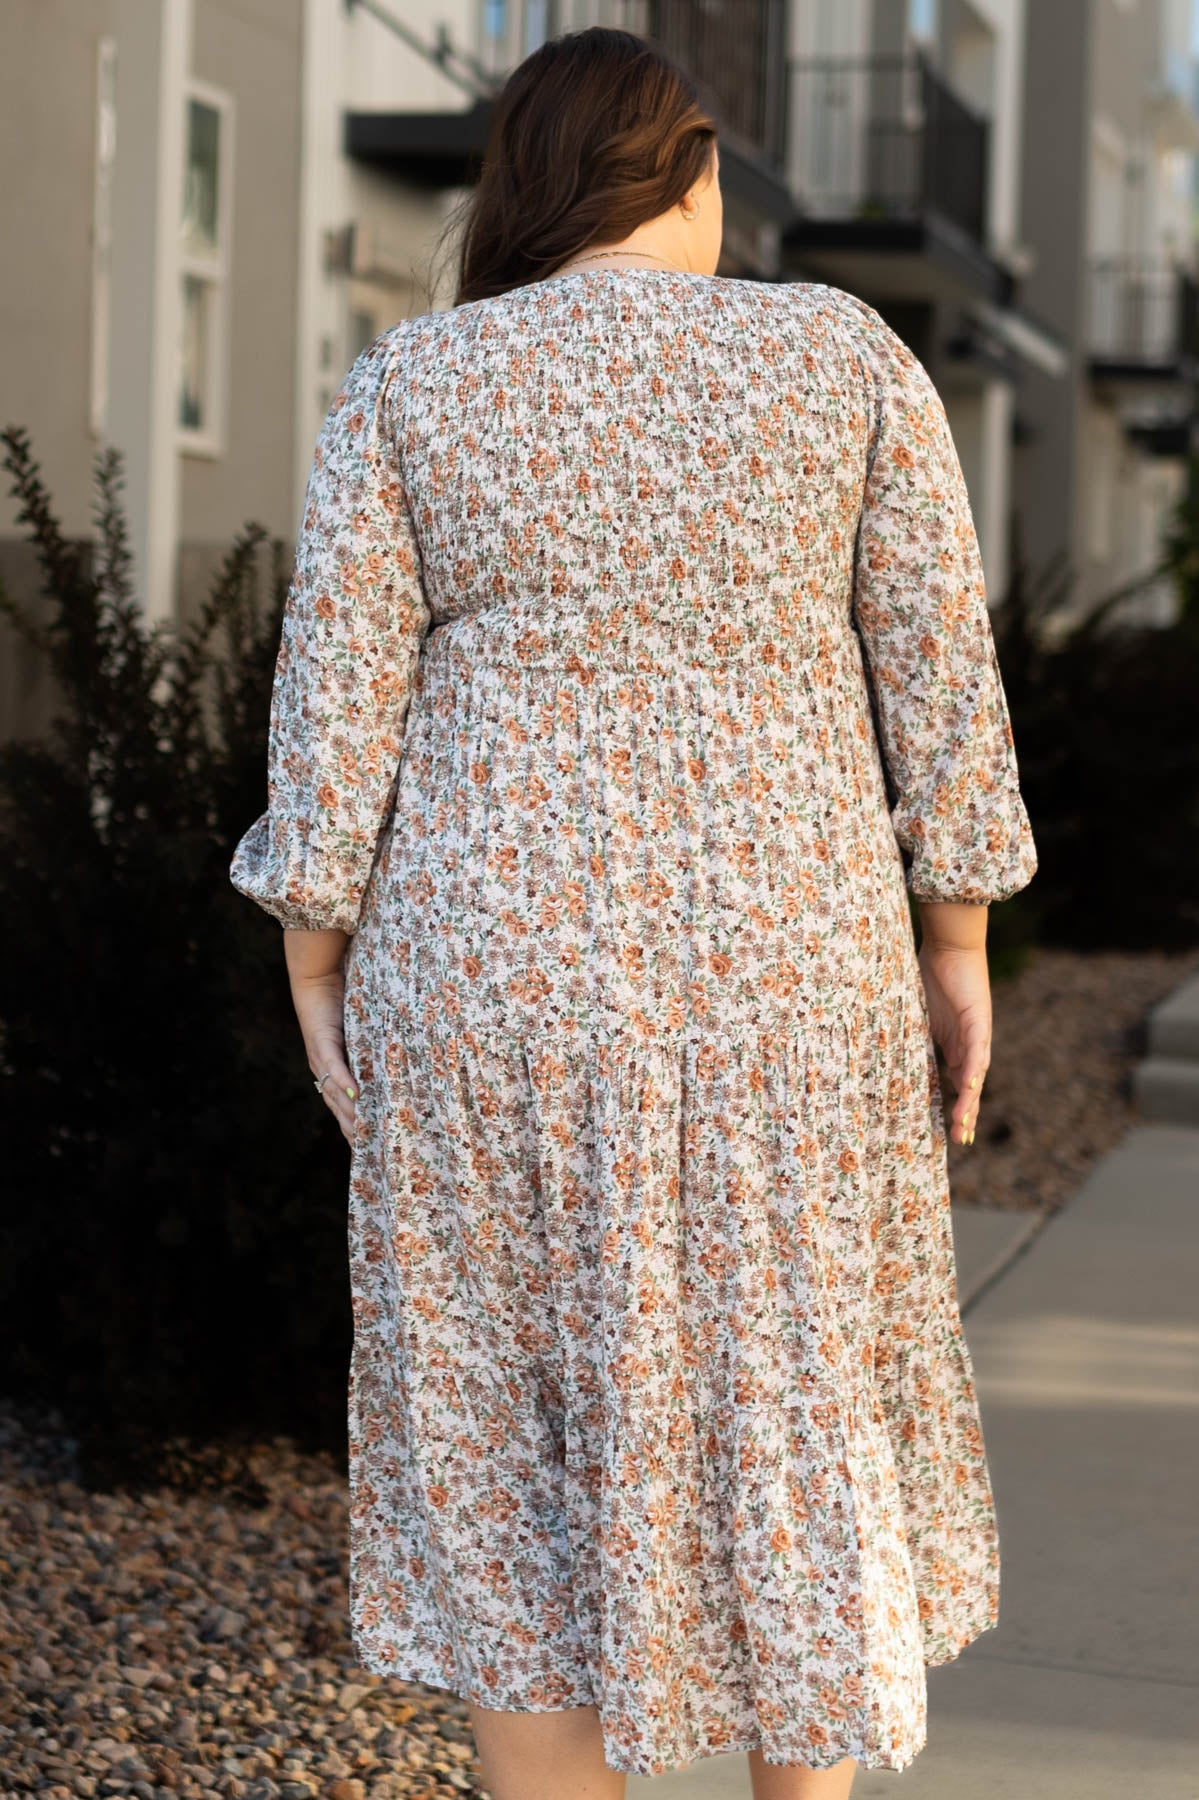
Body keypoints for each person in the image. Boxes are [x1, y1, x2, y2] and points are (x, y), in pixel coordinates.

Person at [229, 25, 1037, 1800]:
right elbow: (942, 683)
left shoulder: (417, 382)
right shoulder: (844, 360)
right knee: (801, 1419)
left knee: (507, 1444)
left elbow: (333, 705)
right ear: (692, 179)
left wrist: (315, 954)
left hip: (490, 998)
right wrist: (957, 946)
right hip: (789, 999)